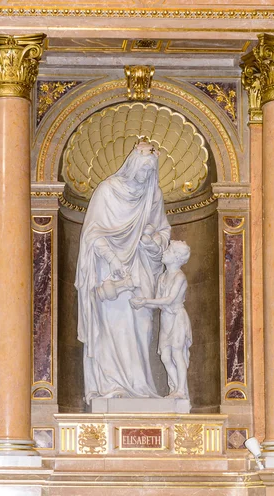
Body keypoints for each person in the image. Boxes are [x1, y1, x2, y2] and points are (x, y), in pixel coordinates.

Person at [75, 139, 171, 403]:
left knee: (142, 327)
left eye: (150, 172)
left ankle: (140, 386)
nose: (145, 176)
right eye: (142, 170)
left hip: (140, 267)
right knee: (113, 327)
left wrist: (153, 243)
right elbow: (92, 233)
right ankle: (111, 386)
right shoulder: (106, 191)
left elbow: (162, 230)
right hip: (109, 271)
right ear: (131, 166)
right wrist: (113, 258)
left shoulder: (153, 195)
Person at [130, 241, 192, 400]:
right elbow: (158, 300)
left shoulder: (179, 276)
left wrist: (144, 301)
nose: (164, 252)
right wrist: (142, 302)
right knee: (165, 356)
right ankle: (175, 387)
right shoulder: (163, 276)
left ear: (176, 258)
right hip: (166, 319)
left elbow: (169, 299)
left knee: (177, 353)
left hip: (177, 318)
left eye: (169, 250)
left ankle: (181, 390)